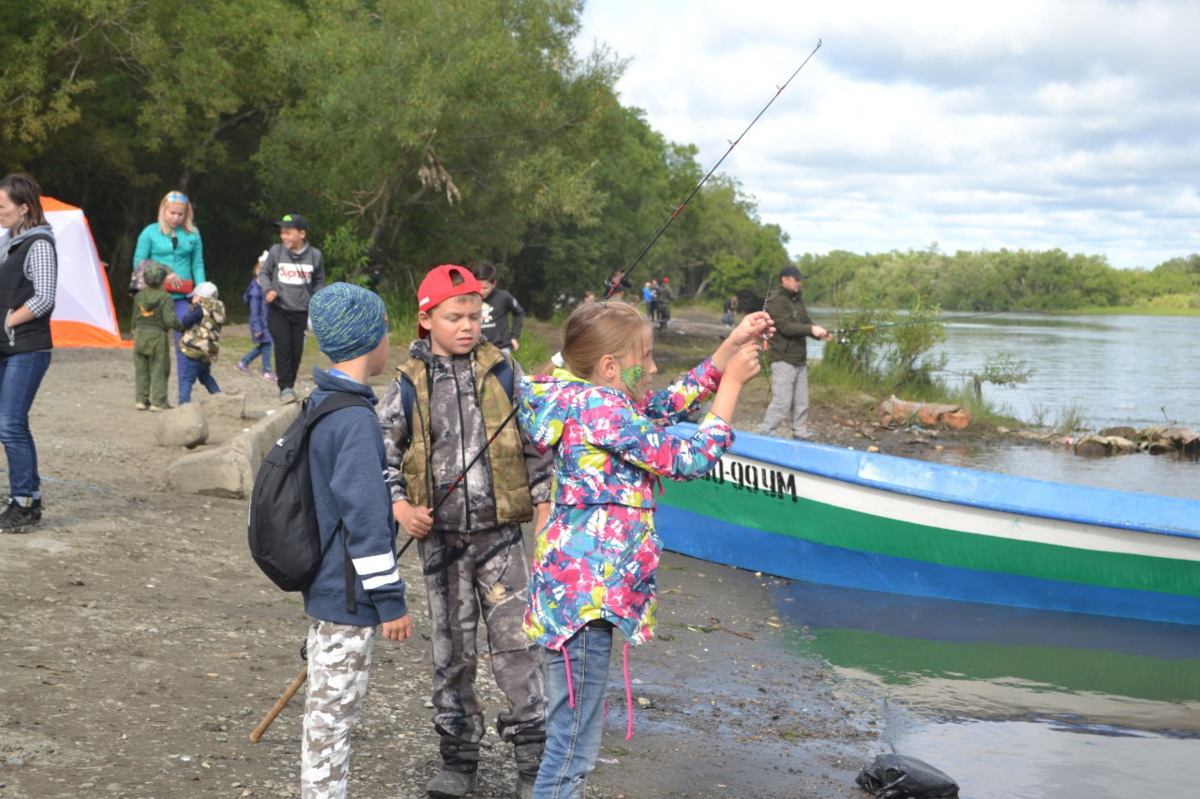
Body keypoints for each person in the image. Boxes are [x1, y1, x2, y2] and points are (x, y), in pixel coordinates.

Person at [517, 302, 771, 799]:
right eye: (646, 358)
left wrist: (731, 347)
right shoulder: (601, 409)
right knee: (572, 750)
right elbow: (687, 457)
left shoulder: (589, 399)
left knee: (571, 741)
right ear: (610, 366)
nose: (653, 369)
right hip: (584, 605)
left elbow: (667, 404)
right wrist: (734, 386)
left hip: (578, 596)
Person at [379, 264, 552, 799]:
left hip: (502, 542)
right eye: (455, 316)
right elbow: (381, 458)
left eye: (476, 315)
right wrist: (401, 508)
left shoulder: (505, 372)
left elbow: (537, 453)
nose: (468, 325)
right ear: (426, 318)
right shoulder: (406, 383)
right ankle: (458, 760)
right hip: (441, 546)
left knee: (518, 647)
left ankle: (533, 764)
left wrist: (544, 527)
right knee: (452, 652)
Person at [300, 282, 414, 798]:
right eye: (386, 327)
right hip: (348, 599)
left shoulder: (321, 402)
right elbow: (367, 523)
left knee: (325, 717)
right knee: (331, 728)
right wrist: (390, 603)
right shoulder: (355, 421)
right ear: (372, 339)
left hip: (324, 588)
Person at [0, 173, 58, 534]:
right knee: (10, 423)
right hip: (7, 348)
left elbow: (44, 297)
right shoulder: (9, 241)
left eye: (2, 206)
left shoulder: (39, 244)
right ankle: (28, 498)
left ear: (24, 208)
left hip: (28, 348)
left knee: (10, 424)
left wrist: (7, 321)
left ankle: (22, 502)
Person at [133, 191, 205, 382]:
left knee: (184, 342)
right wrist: (164, 271)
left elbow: (197, 264)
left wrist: (202, 290)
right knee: (154, 345)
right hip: (155, 296)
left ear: (186, 214)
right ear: (163, 211)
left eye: (180, 214)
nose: (176, 218)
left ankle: (184, 396)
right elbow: (139, 263)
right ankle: (153, 395)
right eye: (172, 213)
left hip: (183, 297)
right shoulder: (149, 232)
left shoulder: (193, 234)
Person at [259, 213, 325, 405]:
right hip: (278, 309)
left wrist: (316, 300)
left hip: (301, 311)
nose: (284, 237)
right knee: (283, 347)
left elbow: (319, 281)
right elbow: (264, 272)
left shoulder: (315, 255)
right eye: (282, 233)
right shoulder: (276, 251)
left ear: (302, 233)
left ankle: (290, 384)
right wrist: (268, 290)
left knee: (297, 350)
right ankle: (285, 387)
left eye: (288, 233)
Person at [760, 264, 832, 440]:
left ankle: (800, 433)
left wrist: (820, 333)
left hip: (799, 358)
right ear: (785, 280)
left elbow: (806, 322)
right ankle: (765, 435)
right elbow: (785, 327)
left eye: (800, 280)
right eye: (796, 279)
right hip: (782, 358)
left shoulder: (797, 300)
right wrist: (811, 329)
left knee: (801, 401)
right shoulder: (776, 300)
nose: (799, 283)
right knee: (782, 402)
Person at [131, 262, 183, 411]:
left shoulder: (139, 296)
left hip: (140, 334)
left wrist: (134, 328)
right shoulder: (166, 297)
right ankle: (158, 402)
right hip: (157, 335)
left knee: (141, 369)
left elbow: (135, 317)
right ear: (163, 280)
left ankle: (141, 400)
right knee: (159, 368)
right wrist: (182, 328)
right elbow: (169, 320)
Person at [176, 282, 225, 404]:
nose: (192, 298)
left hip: (195, 349)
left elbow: (186, 322)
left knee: (187, 378)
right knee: (204, 375)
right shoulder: (217, 310)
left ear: (200, 297)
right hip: (209, 351)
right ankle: (219, 397)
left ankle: (183, 404)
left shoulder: (199, 309)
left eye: (195, 295)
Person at [236, 254, 275, 382]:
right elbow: (254, 312)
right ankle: (266, 371)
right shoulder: (255, 291)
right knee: (267, 345)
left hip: (266, 323)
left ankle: (244, 362)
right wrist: (257, 327)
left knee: (264, 345)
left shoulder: (264, 289)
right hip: (260, 324)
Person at [472, 261, 526, 356]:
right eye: (478, 287)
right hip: (477, 348)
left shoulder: (503, 297)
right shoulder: (469, 298)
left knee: (508, 369)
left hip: (501, 348)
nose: (481, 291)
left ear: (494, 284)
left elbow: (519, 313)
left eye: (485, 288)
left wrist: (514, 336)